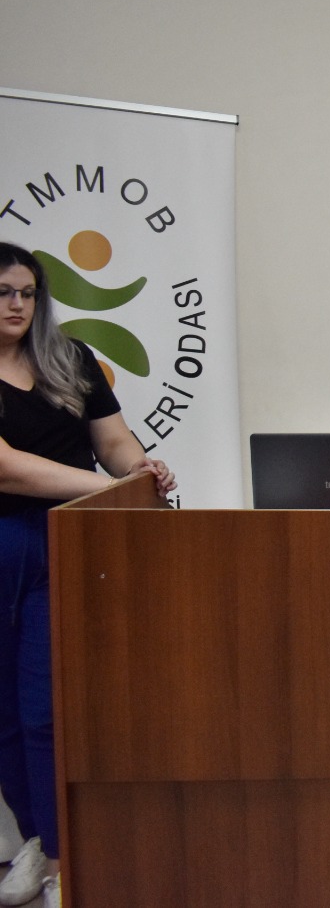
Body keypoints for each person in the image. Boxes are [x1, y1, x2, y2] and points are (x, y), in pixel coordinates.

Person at [0, 242, 176, 908]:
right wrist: (105, 489)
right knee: (5, 715)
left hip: (69, 542)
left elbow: (113, 440)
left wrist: (137, 470)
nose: (17, 305)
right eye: (3, 293)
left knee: (46, 709)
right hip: (6, 541)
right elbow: (8, 469)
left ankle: (63, 860)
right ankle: (37, 840)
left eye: (27, 292)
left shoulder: (67, 356)